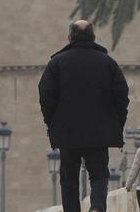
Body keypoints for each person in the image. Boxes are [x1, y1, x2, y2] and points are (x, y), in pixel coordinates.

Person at [39, 20, 130, 212]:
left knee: (69, 179)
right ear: (93, 37)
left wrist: (53, 123)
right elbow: (122, 96)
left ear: (69, 38)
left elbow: (46, 95)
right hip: (99, 133)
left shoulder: (56, 63)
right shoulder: (108, 63)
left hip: (67, 133)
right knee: (99, 175)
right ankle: (97, 208)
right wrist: (115, 124)